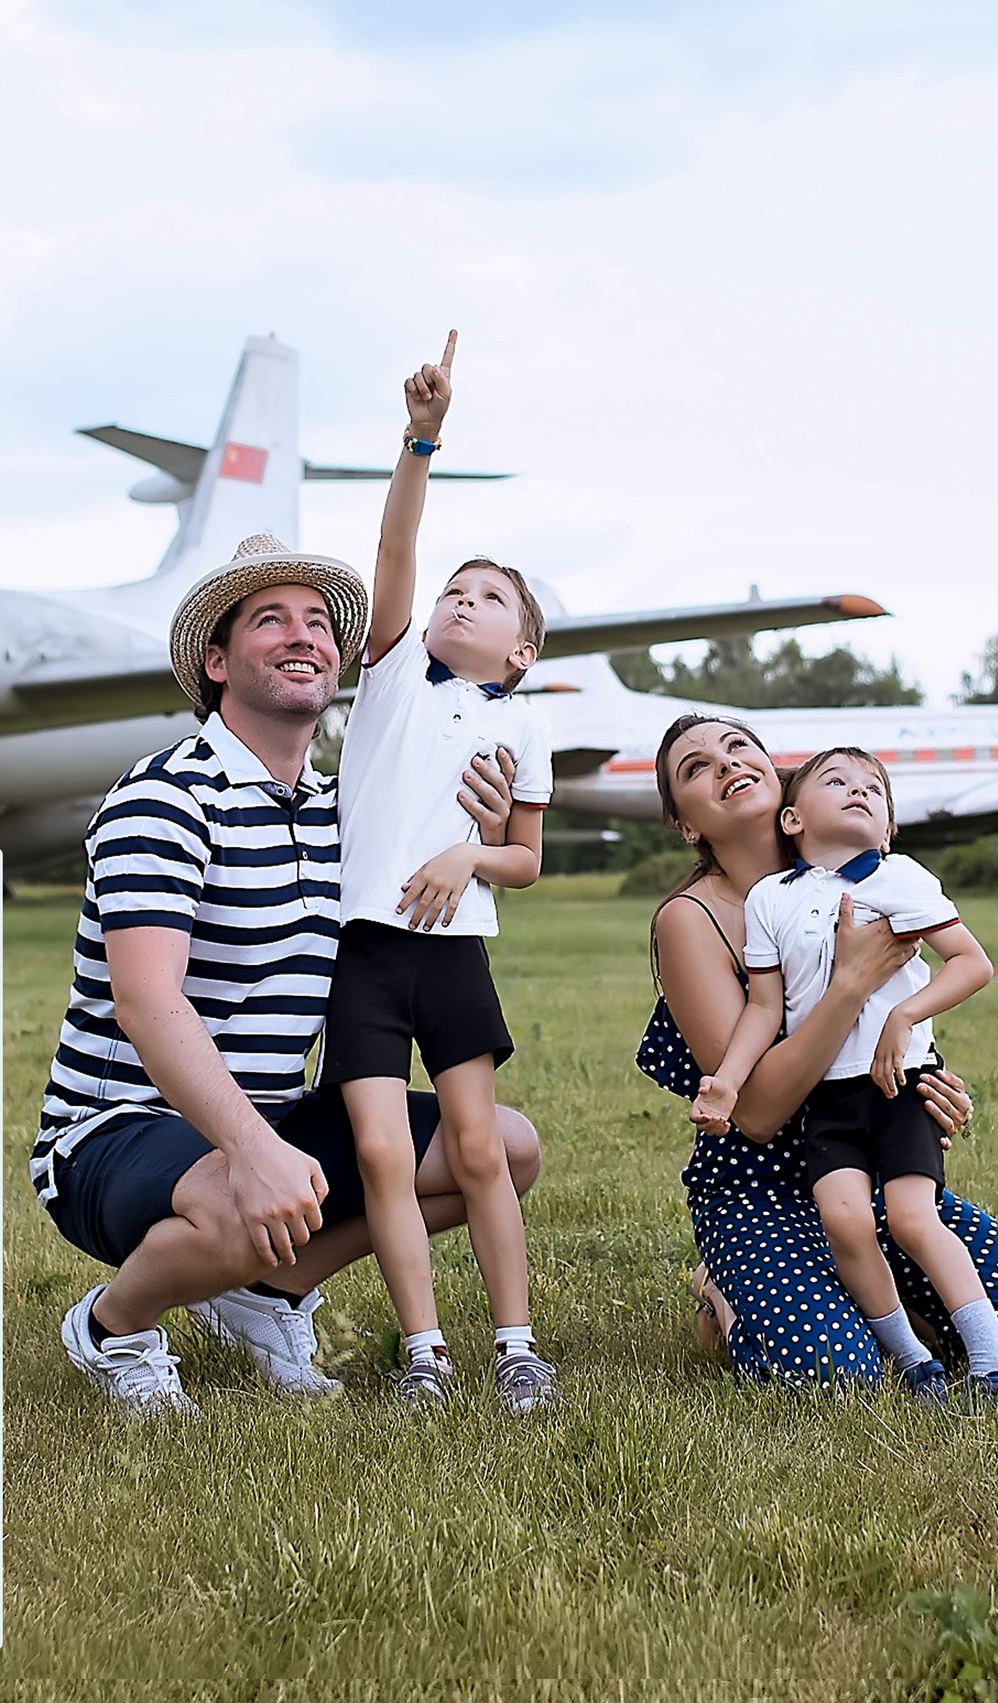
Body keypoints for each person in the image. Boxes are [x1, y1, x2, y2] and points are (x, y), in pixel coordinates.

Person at [33, 528, 540, 1419]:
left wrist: (488, 835)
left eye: (317, 621)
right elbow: (148, 1004)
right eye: (270, 620)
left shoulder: (337, 808)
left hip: (274, 1117)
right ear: (217, 661)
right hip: (116, 1127)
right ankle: (113, 1329)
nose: (302, 635)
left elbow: (451, 849)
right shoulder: (166, 796)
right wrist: (255, 1149)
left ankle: (265, 1295)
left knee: (503, 1148)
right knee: (244, 1200)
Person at [638, 713, 998, 1388]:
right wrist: (850, 981)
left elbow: (905, 1013)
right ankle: (725, 1292)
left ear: (780, 778)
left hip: (873, 1162)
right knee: (838, 1372)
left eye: (739, 747)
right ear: (687, 824)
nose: (726, 763)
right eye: (696, 767)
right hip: (758, 1183)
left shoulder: (863, 874)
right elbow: (759, 1111)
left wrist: (930, 1085)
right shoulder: (690, 919)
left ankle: (890, 1301)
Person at [325, 332, 558, 1412]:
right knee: (380, 1149)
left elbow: (523, 858)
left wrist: (470, 851)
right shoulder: (389, 683)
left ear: (520, 652)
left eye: (490, 598)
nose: (461, 599)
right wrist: (421, 439)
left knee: (474, 1144)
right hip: (363, 952)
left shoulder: (524, 727)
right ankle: (424, 1351)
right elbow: (393, 554)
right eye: (453, 591)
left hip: (456, 952)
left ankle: (516, 1344)